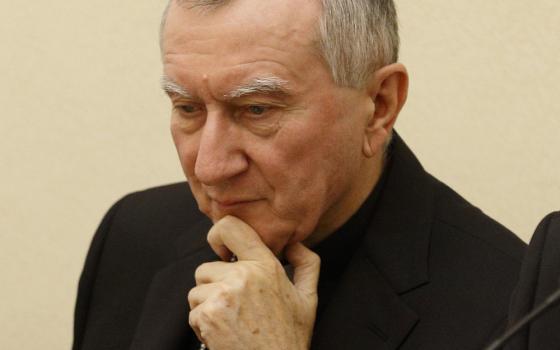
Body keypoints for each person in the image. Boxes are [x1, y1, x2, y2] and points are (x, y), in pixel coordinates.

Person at [72, 1, 526, 349]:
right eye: (187, 108)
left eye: (256, 109)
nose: (210, 168)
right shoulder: (132, 233)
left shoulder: (512, 311)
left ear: (379, 106)